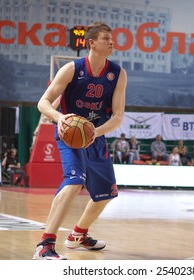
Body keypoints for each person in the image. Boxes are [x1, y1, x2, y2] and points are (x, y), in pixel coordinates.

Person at [33, 21, 127, 260]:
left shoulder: (117, 74)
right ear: (91, 43)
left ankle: (78, 234)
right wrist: (60, 117)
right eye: (106, 38)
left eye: (112, 38)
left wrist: (96, 131)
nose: (111, 42)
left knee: (107, 194)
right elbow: (43, 103)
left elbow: (117, 117)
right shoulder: (71, 69)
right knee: (75, 181)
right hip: (70, 134)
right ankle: (45, 246)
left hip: (95, 136)